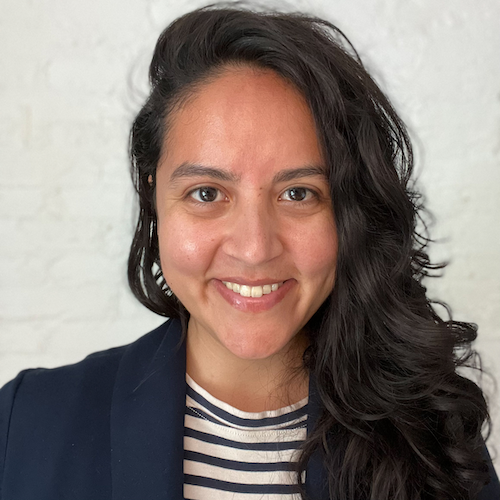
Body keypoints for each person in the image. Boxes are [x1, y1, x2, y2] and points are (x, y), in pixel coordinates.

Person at [0, 4, 498, 500]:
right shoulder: (24, 423)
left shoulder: (435, 440)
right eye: (207, 193)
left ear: (350, 210)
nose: (255, 248)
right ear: (153, 196)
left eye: (298, 193)